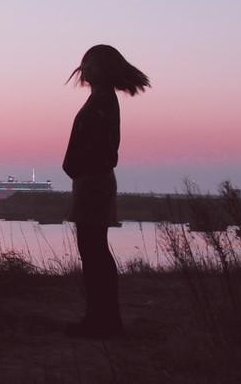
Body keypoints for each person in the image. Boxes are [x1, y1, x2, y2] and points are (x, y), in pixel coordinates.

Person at [62, 44, 149, 338]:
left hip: (94, 182)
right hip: (91, 180)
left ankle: (103, 320)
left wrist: (77, 166)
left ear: (102, 69)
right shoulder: (101, 100)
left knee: (93, 250)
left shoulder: (102, 101)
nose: (84, 68)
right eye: (84, 63)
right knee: (93, 250)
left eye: (90, 63)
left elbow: (100, 148)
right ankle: (101, 318)